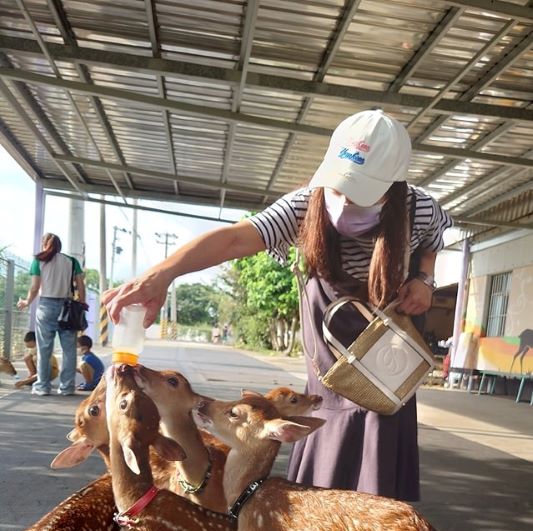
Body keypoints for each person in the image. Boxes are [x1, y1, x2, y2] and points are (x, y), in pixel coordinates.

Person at [103, 109, 452, 501]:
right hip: (330, 344)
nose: (344, 199)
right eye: (338, 187)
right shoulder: (303, 207)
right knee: (328, 423)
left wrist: (424, 280)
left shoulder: (419, 209)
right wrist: (163, 274)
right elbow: (234, 240)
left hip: (388, 348)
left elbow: (432, 245)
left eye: (361, 191)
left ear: (393, 184)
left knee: (379, 433)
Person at [17, 233, 86, 396]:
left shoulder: (38, 261)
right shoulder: (71, 261)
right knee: (69, 350)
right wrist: (82, 302)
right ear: (59, 246)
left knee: (44, 349)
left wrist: (27, 302)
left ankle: (42, 386)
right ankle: (67, 387)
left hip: (46, 307)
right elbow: (81, 285)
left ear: (44, 245)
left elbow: (34, 288)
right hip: (67, 308)